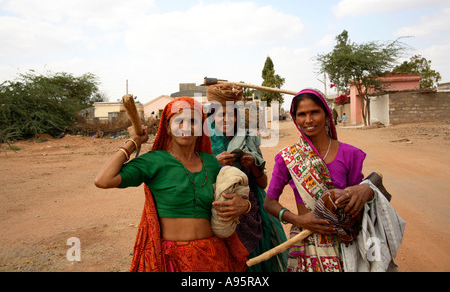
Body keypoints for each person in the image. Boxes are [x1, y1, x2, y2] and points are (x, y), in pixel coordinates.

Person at [94, 97, 248, 272]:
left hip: (214, 257)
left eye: (193, 122)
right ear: (167, 127)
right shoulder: (154, 161)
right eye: (179, 121)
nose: (186, 128)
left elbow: (230, 199)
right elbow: (103, 180)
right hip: (171, 261)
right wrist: (134, 142)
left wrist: (244, 205)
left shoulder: (211, 163)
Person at [264, 88, 374, 272]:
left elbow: (358, 199)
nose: (308, 120)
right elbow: (269, 203)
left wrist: (366, 190)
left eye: (314, 112)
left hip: (345, 243)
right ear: (295, 118)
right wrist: (299, 220)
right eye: (302, 114)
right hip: (306, 242)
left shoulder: (350, 154)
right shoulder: (287, 158)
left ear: (326, 113)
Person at [206, 83, 288, 272]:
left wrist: (254, 166)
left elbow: (263, 183)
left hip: (249, 212)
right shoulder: (203, 142)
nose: (226, 119)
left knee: (252, 265)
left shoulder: (248, 138)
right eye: (220, 114)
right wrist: (214, 163)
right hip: (217, 214)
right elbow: (193, 177)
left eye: (231, 114)